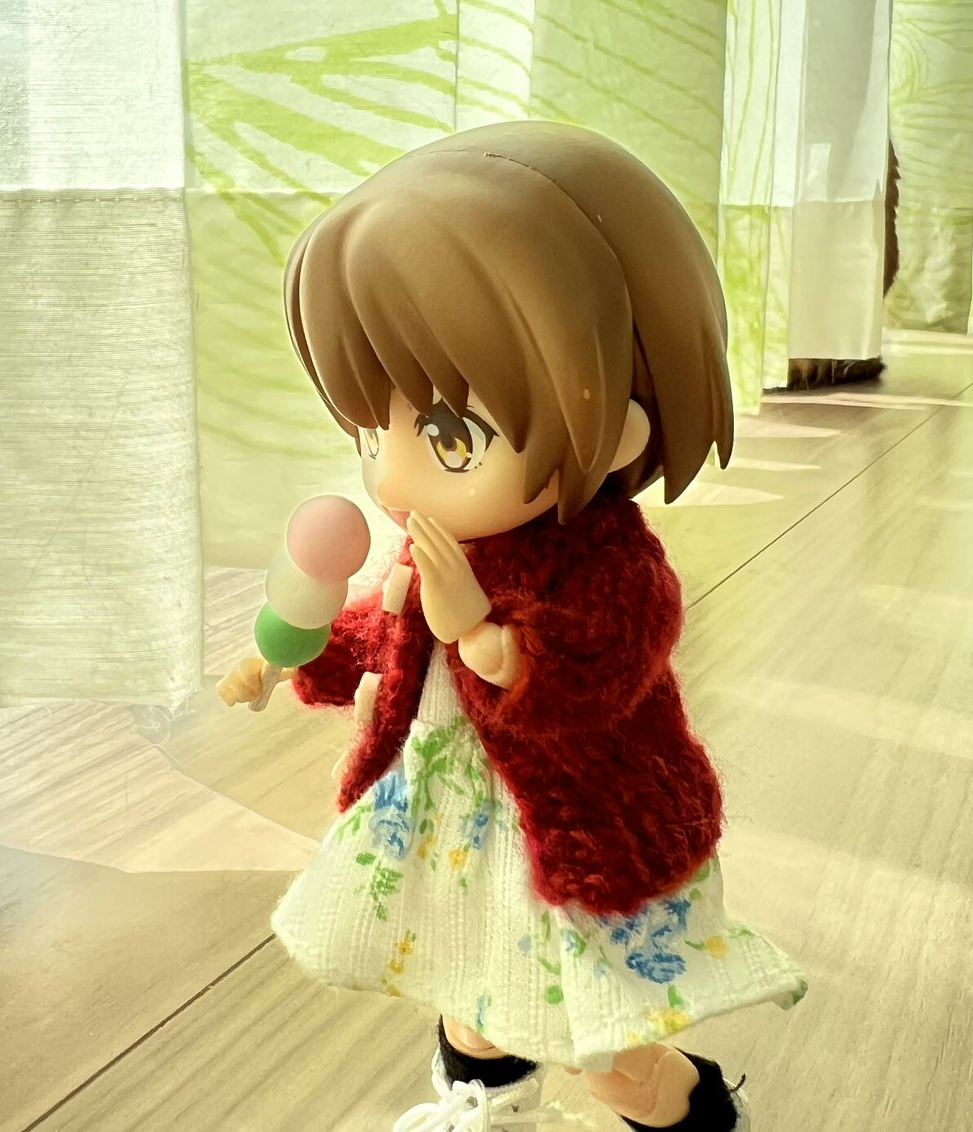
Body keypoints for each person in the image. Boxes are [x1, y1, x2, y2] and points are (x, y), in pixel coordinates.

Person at [220, 122, 805, 1132]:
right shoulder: (439, 545)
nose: (392, 473)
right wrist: (295, 651)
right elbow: (388, 634)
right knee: (471, 993)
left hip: (578, 835)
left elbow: (603, 663)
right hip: (458, 827)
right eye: (369, 430)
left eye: (449, 435)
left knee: (606, 1045)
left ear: (616, 429)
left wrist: (490, 641)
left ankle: (692, 1107)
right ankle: (483, 1106)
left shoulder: (611, 563)